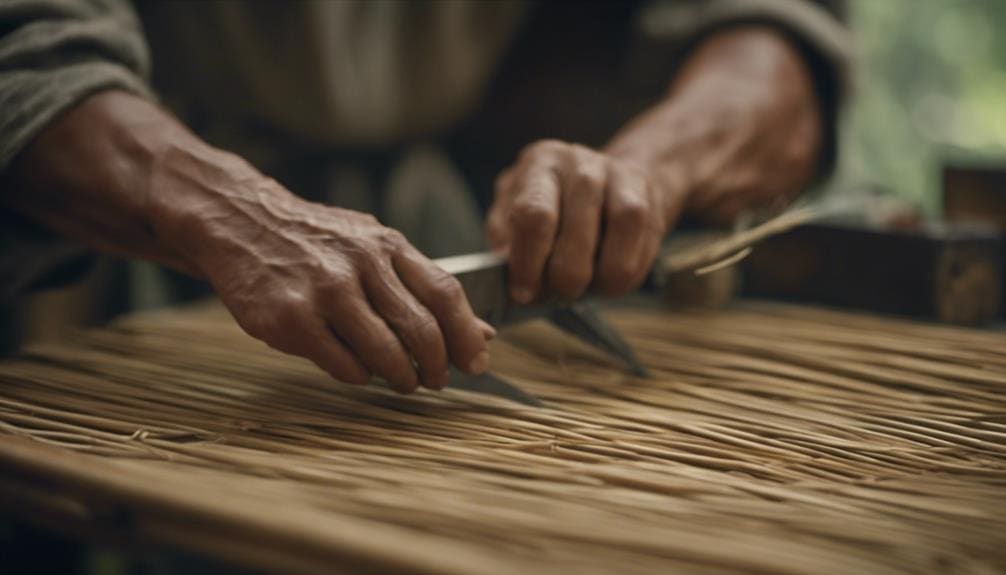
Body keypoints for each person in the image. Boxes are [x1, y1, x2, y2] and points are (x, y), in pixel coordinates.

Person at [0, 1, 848, 393]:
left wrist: (648, 171)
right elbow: (26, 51)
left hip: (431, 209)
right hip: (113, 248)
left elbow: (769, 41)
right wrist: (230, 210)